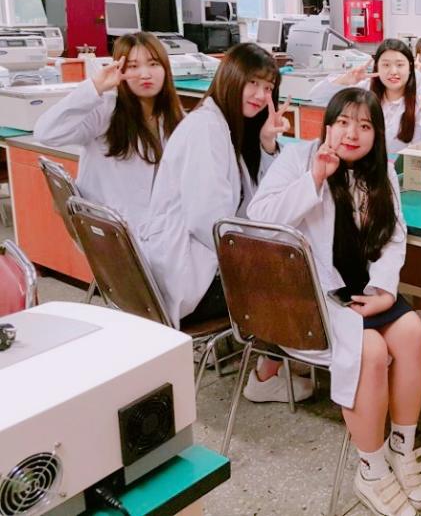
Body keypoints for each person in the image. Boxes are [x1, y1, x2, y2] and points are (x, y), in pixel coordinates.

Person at [248, 88, 421, 516]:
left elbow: (395, 236)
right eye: (343, 122)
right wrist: (314, 178)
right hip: (311, 294)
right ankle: (371, 468)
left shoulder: (381, 171)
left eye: (364, 126)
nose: (352, 134)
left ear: (376, 134)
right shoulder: (299, 159)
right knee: (371, 351)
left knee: (412, 332)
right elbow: (259, 219)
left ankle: (401, 446)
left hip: (364, 290)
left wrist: (384, 291)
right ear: (327, 125)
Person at [139, 43, 307, 401]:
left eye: (268, 87)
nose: (261, 95)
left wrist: (266, 142)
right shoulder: (206, 130)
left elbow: (255, 200)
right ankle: (267, 374)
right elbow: (212, 223)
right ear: (231, 78)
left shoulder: (223, 126)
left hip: (189, 264)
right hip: (191, 279)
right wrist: (262, 253)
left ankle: (284, 356)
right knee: (291, 275)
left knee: (281, 261)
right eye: (253, 83)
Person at [34, 32, 184, 230]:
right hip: (108, 231)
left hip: (159, 231)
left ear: (165, 68)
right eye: (133, 66)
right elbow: (46, 133)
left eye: (154, 64)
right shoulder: (105, 110)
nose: (145, 74)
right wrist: (95, 87)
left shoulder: (178, 119)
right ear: (120, 70)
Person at [310, 39, 421, 155]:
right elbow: (316, 96)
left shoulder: (420, 99)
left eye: (400, 65)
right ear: (377, 67)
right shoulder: (364, 89)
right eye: (386, 65)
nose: (393, 71)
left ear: (410, 67)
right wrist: (346, 79)